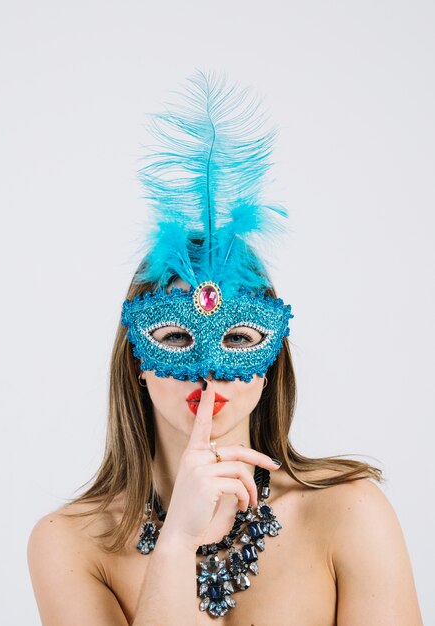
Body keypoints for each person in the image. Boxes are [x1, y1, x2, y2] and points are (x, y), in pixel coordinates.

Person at [27, 73, 423, 625]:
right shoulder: (69, 544)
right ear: (138, 361)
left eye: (238, 338)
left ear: (269, 363)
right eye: (175, 338)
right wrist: (175, 545)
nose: (209, 372)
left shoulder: (349, 512)